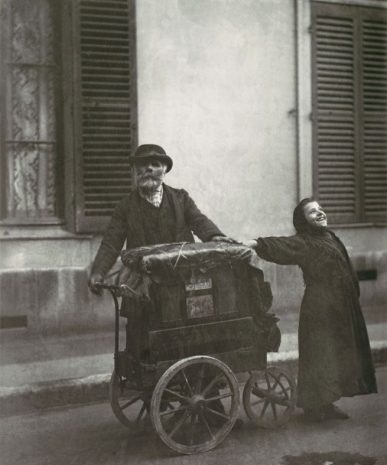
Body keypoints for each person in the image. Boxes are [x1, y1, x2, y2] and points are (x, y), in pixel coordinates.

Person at [245, 197, 377, 421]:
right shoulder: (306, 242)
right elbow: (282, 245)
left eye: (320, 209)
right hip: (320, 309)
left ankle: (326, 403)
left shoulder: (330, 237)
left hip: (340, 307)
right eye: (312, 212)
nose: (320, 213)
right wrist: (256, 243)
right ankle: (315, 407)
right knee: (321, 355)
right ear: (303, 221)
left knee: (334, 354)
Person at [89, 143, 232, 294]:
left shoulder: (181, 199)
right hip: (142, 285)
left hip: (182, 280)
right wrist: (98, 272)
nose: (148, 168)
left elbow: (199, 221)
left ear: (164, 171)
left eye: (155, 164)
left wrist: (215, 236)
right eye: (143, 164)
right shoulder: (125, 207)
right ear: (134, 171)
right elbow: (111, 243)